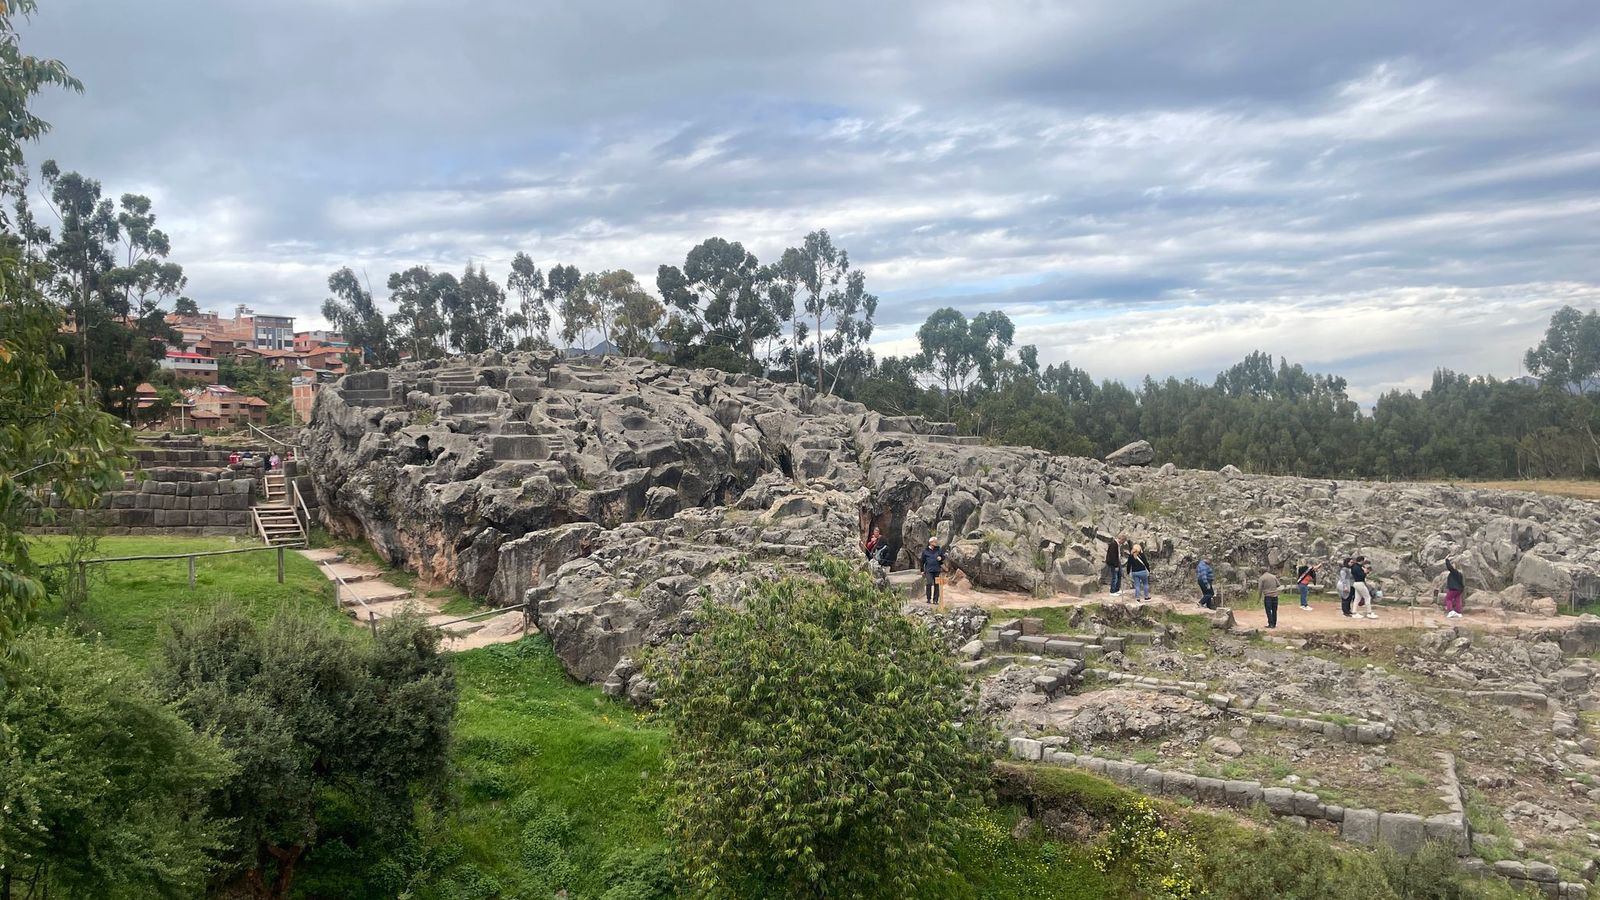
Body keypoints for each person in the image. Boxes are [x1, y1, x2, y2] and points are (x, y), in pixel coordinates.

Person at [918, 537, 947, 605]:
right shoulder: (925, 551)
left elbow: (943, 557)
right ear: (931, 543)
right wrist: (922, 570)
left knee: (937, 585)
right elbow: (922, 561)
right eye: (935, 542)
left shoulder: (938, 549)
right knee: (929, 583)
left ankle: (935, 600)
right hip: (928, 570)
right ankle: (928, 598)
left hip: (937, 570)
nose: (936, 543)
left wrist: (941, 558)